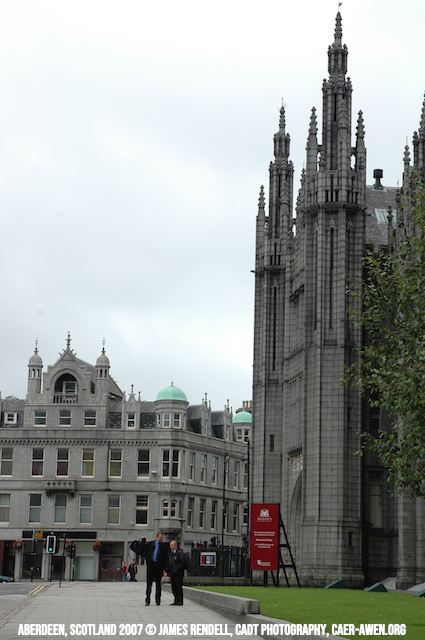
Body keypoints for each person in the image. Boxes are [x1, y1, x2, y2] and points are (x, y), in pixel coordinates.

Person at [141, 532, 168, 606]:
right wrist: (143, 540)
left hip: (159, 566)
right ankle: (147, 600)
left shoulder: (164, 546)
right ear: (156, 537)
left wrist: (165, 570)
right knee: (149, 584)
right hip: (151, 566)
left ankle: (158, 600)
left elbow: (166, 559)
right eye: (160, 537)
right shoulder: (150, 544)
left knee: (158, 584)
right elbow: (142, 549)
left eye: (162, 538)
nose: (161, 539)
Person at [167, 540, 185, 606]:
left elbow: (182, 562)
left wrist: (177, 569)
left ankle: (180, 600)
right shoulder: (171, 554)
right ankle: (176, 599)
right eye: (170, 545)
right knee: (174, 587)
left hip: (178, 573)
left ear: (176, 546)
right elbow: (170, 563)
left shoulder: (180, 553)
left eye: (172, 545)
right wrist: (167, 570)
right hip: (172, 573)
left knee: (178, 587)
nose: (171, 547)